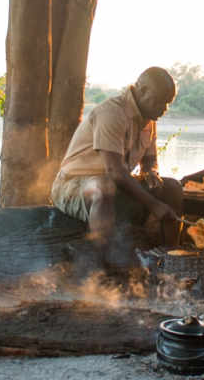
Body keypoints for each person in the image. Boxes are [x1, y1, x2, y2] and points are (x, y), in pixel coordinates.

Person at [50, 66, 183, 268]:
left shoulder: (149, 119)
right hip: (74, 184)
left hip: (113, 183)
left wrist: (151, 172)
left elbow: (149, 160)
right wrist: (154, 205)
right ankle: (100, 269)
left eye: (167, 104)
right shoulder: (112, 113)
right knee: (104, 187)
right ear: (141, 90)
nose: (163, 109)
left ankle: (171, 262)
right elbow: (115, 171)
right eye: (158, 101)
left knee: (172, 187)